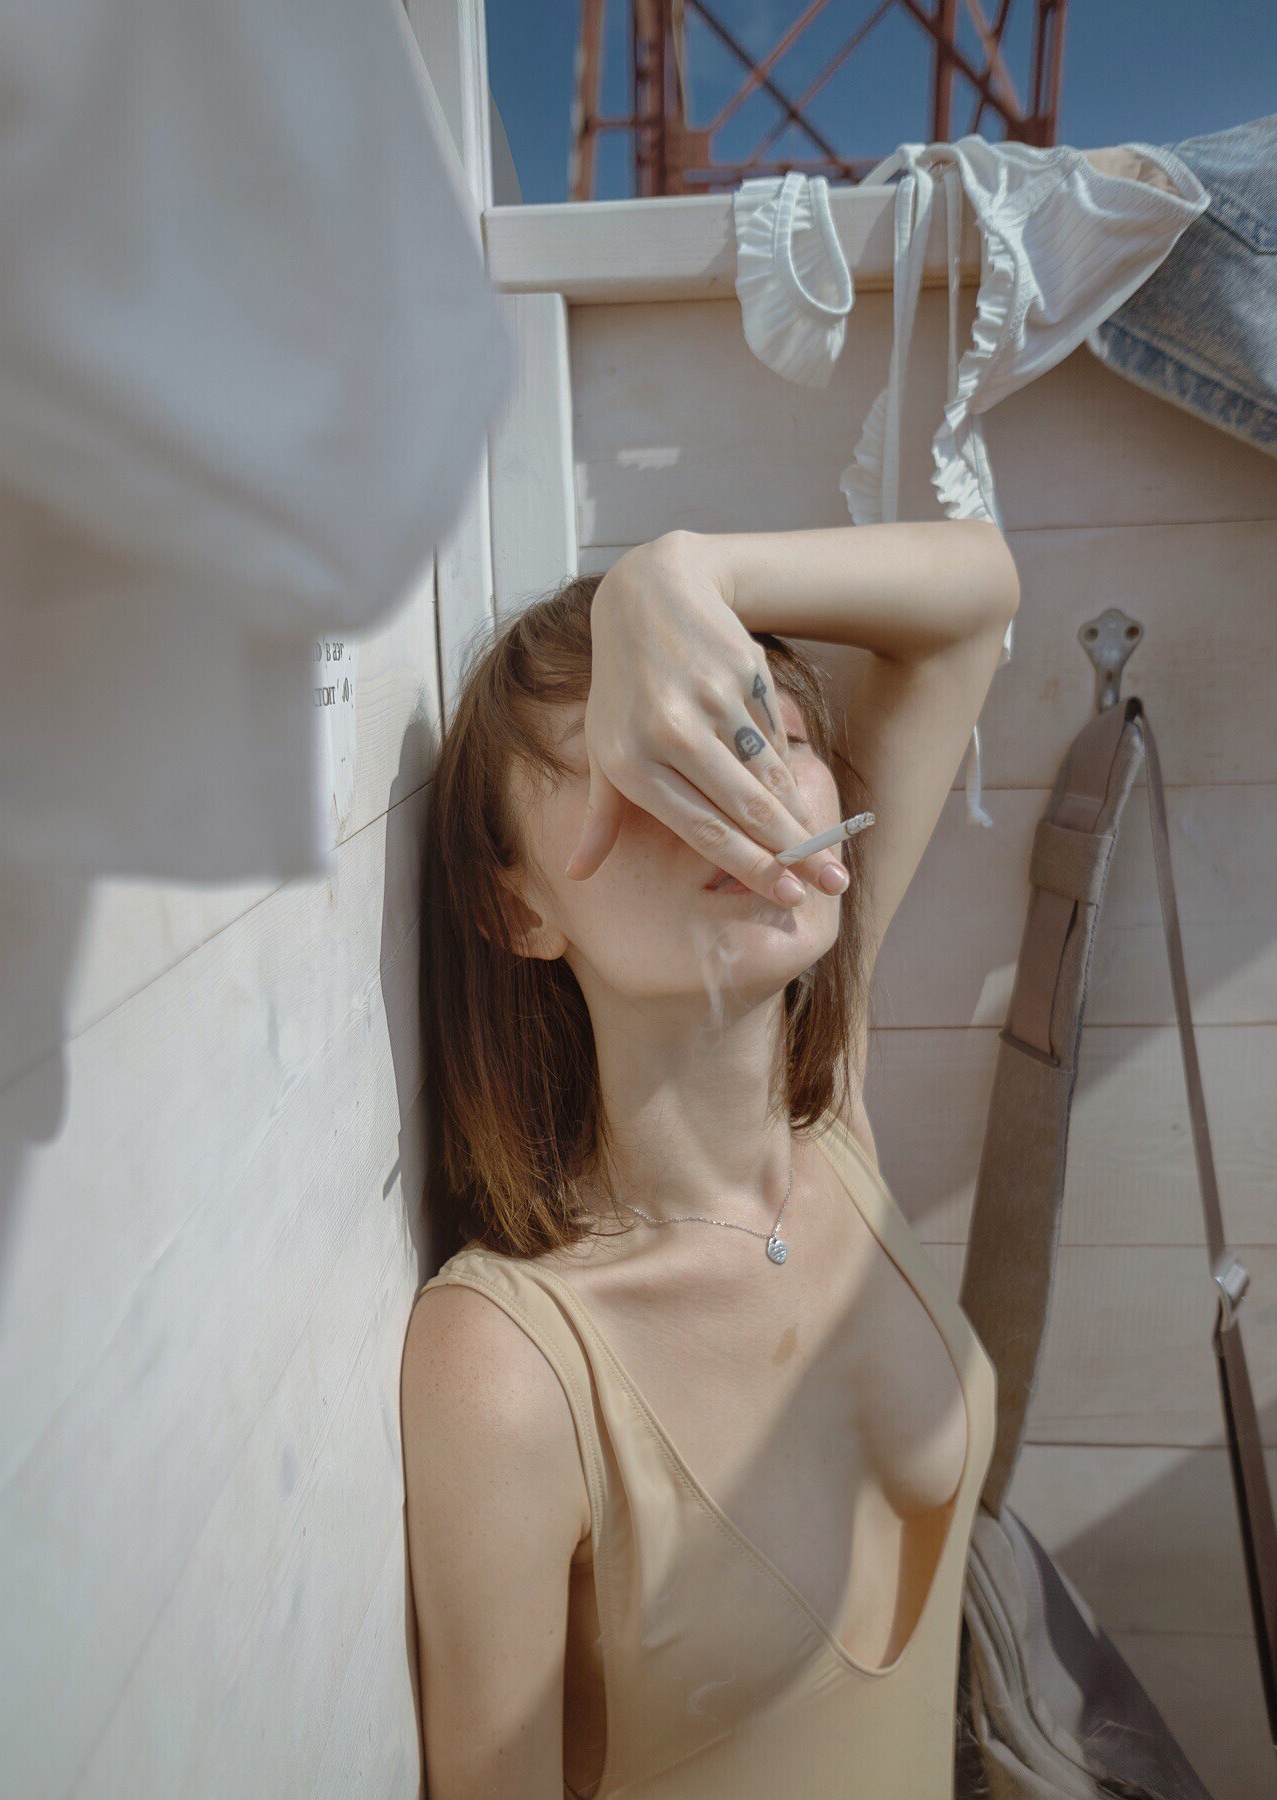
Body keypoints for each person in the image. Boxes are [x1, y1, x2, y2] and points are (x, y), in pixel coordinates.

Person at [400, 519, 1021, 1799]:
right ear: (516, 905)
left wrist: (688, 573)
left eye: (771, 736)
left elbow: (975, 601)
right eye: (654, 765)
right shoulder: (509, 1366)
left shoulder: (832, 1122)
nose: (747, 796)